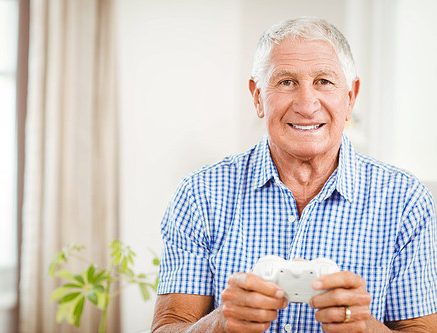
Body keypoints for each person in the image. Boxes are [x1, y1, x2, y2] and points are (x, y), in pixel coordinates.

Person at [151, 17, 437, 333]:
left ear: (350, 97)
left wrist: (366, 327)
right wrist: (218, 324)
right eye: (286, 82)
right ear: (258, 96)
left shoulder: (406, 201)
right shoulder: (199, 194)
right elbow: (169, 327)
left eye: (324, 82)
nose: (305, 104)